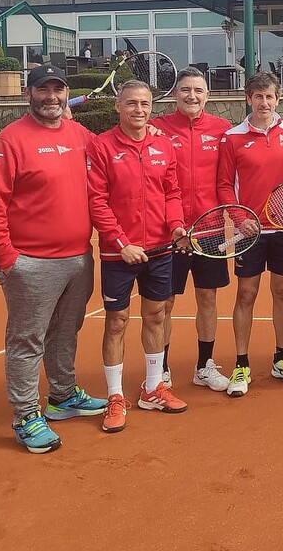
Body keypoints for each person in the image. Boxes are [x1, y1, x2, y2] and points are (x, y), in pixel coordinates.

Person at [0, 64, 106, 454]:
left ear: (66, 93)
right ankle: (25, 415)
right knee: (27, 340)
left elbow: (114, 150)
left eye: (58, 89)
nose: (51, 97)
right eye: (43, 90)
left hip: (78, 258)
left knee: (65, 331)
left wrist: (152, 131)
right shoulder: (8, 142)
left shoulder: (80, 135)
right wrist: (7, 258)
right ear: (28, 94)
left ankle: (63, 396)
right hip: (29, 262)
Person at [87, 80, 188, 433]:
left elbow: (172, 192)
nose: (139, 110)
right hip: (119, 253)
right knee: (116, 321)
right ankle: (115, 396)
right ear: (118, 106)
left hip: (160, 249)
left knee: (156, 315)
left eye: (145, 103)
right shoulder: (101, 146)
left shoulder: (163, 145)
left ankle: (152, 387)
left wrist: (176, 226)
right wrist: (121, 242)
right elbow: (96, 201)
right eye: (131, 103)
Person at [217, 72, 283, 395]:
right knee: (246, 295)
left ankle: (282, 357)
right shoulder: (232, 138)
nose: (264, 103)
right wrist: (240, 219)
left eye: (269, 97)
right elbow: (224, 185)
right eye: (258, 96)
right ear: (248, 99)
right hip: (249, 231)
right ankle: (241, 364)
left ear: (277, 99)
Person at [149, 67, 233, 394]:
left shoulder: (222, 129)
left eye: (198, 90)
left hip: (209, 230)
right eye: (185, 89)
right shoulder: (157, 128)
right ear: (175, 94)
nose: (192, 96)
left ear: (207, 96)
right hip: (169, 232)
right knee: (165, 302)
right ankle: (162, 368)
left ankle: (204, 366)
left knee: (207, 298)